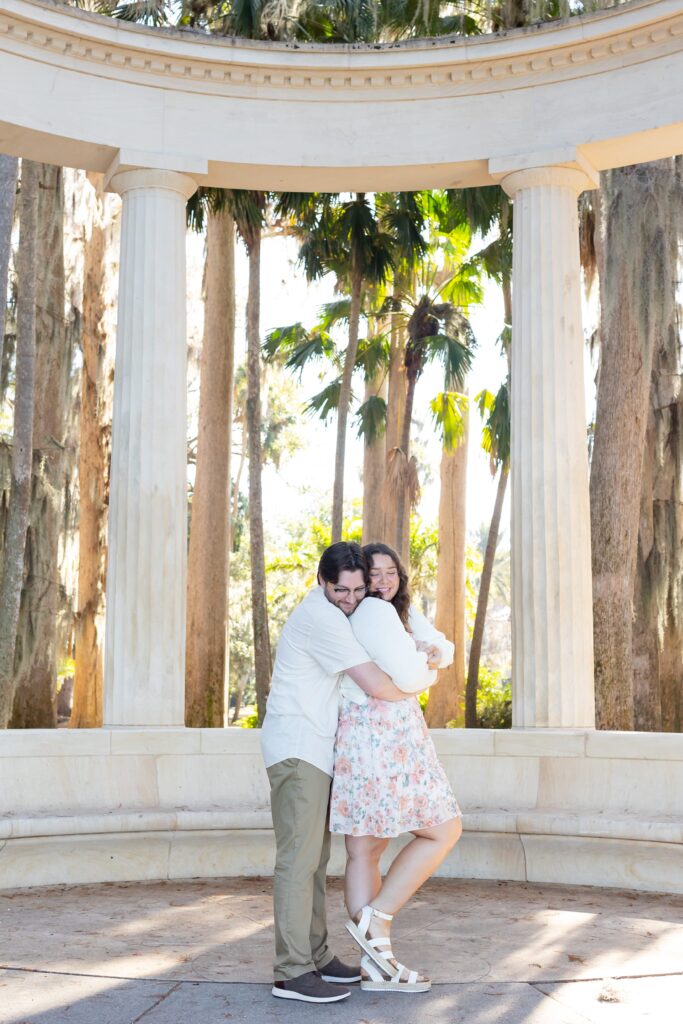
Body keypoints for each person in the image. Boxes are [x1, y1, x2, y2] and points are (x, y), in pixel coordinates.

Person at [260, 541, 435, 1004]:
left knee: (314, 861)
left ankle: (315, 957)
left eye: (358, 590)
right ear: (321, 581)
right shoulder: (320, 617)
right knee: (298, 862)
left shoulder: (339, 613)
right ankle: (292, 971)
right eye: (341, 589)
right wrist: (420, 679)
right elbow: (375, 683)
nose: (351, 598)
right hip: (298, 747)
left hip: (316, 749)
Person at [330, 541, 463, 994]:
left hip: (364, 736)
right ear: (362, 578)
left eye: (392, 572)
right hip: (387, 736)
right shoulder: (376, 613)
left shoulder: (380, 612)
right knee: (445, 829)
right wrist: (426, 668)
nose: (385, 580)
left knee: (364, 850)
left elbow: (443, 647)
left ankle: (375, 966)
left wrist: (428, 654)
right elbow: (412, 677)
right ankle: (377, 919)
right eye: (375, 573)